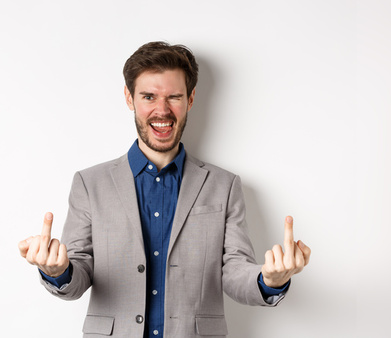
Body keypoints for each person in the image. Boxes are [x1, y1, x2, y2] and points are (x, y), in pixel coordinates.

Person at [17, 41, 311, 337]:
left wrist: (269, 280)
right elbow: (78, 274)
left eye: (174, 97)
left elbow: (235, 271)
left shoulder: (224, 185)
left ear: (191, 99)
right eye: (149, 96)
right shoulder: (89, 183)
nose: (162, 110)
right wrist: (57, 272)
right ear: (129, 98)